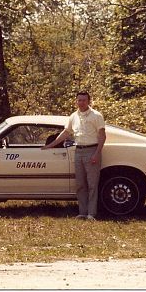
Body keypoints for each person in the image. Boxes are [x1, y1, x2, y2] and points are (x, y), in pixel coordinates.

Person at [42, 90, 106, 220]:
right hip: (78, 151)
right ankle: (82, 212)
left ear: (89, 101)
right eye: (79, 100)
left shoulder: (96, 116)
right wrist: (51, 145)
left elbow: (102, 136)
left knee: (92, 184)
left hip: (92, 150)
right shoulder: (73, 116)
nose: (81, 103)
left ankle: (91, 214)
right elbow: (66, 133)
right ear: (76, 101)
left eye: (84, 100)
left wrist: (97, 154)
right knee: (80, 184)